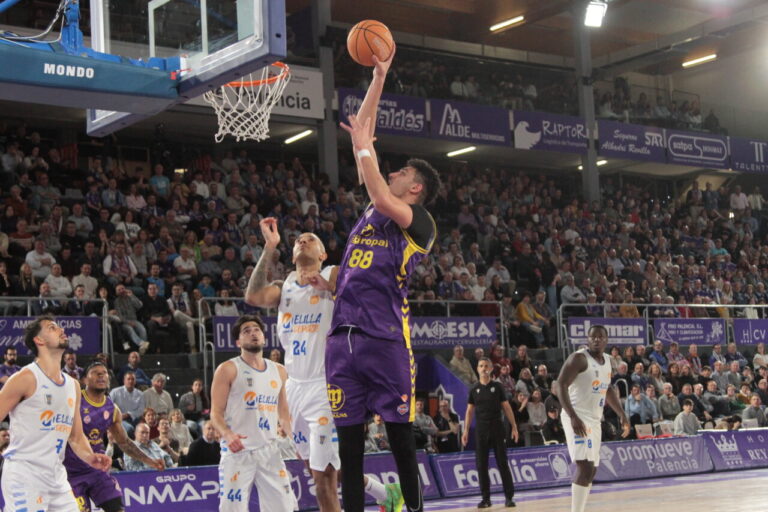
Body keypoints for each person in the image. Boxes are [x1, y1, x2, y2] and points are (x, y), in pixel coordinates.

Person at [327, 45, 440, 512]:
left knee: (400, 441)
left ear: (414, 188)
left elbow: (372, 171)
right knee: (349, 452)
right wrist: (379, 76)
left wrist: (364, 146)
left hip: (386, 339)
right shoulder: (372, 213)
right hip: (342, 339)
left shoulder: (420, 222)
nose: (394, 172)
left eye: (404, 172)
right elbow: (364, 135)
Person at [244, 217, 393, 511]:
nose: (302, 241)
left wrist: (332, 287)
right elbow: (252, 296)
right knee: (322, 470)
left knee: (324, 478)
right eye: (299, 239)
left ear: (323, 254)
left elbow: (363, 296)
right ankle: (385, 493)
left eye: (310, 238)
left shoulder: (334, 273)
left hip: (329, 386)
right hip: (296, 389)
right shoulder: (284, 285)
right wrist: (269, 247)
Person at [0, 316, 111, 512]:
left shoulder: (73, 385)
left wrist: (90, 457)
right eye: (52, 328)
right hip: (25, 474)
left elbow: (76, 436)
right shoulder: (25, 378)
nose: (60, 329)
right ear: (39, 340)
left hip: (57, 476)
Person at [210, 315, 295, 512]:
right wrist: (227, 434)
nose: (253, 333)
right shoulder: (228, 369)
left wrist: (297, 441)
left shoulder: (280, 371)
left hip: (270, 450)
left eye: (256, 329)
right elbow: (215, 413)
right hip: (238, 452)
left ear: (264, 337)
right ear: (238, 341)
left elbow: (284, 415)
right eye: (246, 331)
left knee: (283, 508)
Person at [64, 361, 164, 512]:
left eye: (104, 373)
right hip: (71, 473)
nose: (101, 375)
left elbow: (124, 443)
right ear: (84, 379)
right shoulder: (73, 401)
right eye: (96, 373)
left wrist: (150, 461)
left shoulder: (112, 409)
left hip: (97, 471)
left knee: (117, 508)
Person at [557, 324, 629, 512]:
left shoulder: (608, 360)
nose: (597, 339)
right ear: (588, 340)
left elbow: (608, 389)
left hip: (595, 419)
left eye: (600, 337)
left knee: (593, 469)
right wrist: (572, 416)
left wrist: (621, 413)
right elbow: (560, 385)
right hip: (577, 416)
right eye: (593, 337)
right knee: (585, 466)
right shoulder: (579, 359)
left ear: (606, 340)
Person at [461, 358, 518, 508]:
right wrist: (465, 430)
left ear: (491, 368)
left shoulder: (498, 387)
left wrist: (514, 427)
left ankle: (509, 497)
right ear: (477, 369)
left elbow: (506, 408)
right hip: (481, 430)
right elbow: (469, 411)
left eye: (486, 366)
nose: (484, 368)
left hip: (497, 428)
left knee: (502, 463)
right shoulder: (474, 389)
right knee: (481, 465)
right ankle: (486, 499)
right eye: (481, 366)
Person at [109, 371, 145, 437]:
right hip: (119, 419)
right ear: (124, 381)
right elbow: (108, 406)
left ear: (135, 381)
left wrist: (129, 414)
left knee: (145, 428)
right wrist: (119, 415)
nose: (130, 381)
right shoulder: (115, 392)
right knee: (129, 429)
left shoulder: (140, 394)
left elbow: (141, 410)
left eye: (133, 379)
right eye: (128, 379)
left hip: (134, 419)